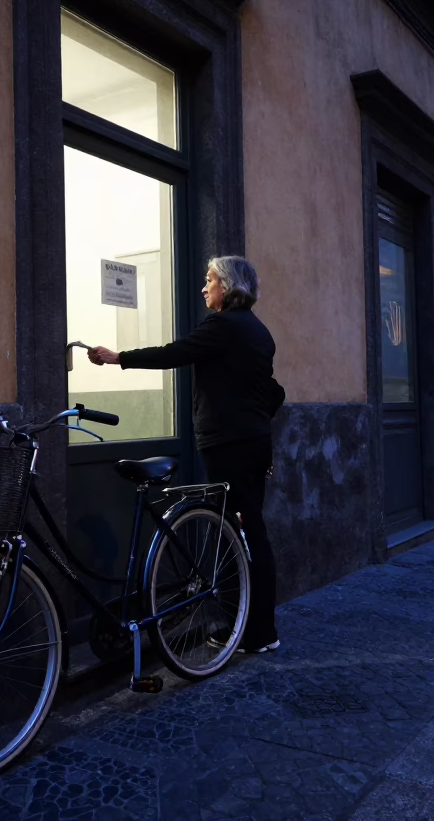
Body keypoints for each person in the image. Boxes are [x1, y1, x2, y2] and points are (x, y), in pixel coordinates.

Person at [88, 256, 286, 654]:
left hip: (227, 445)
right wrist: (255, 422)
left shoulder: (223, 327)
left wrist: (118, 358)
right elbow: (274, 392)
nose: (203, 287)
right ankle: (258, 627)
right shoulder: (259, 332)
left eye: (209, 280)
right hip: (253, 444)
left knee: (234, 532)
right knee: (249, 533)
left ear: (227, 286)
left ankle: (252, 631)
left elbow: (173, 353)